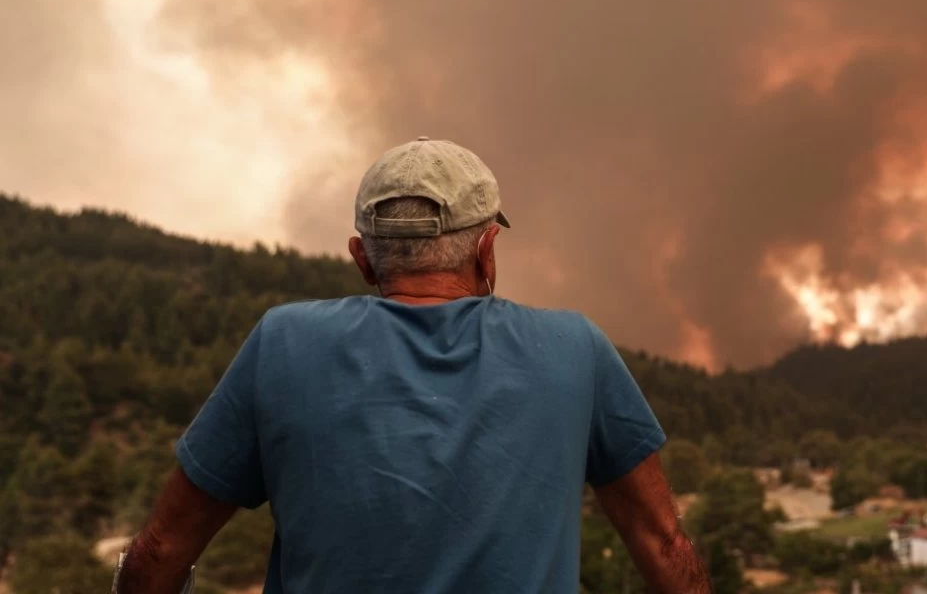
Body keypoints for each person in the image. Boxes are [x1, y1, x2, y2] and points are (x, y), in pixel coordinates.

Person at [115, 137, 710, 593]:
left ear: (362, 258)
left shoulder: (284, 342)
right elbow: (662, 543)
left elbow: (162, 549)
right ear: (486, 249)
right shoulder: (574, 347)